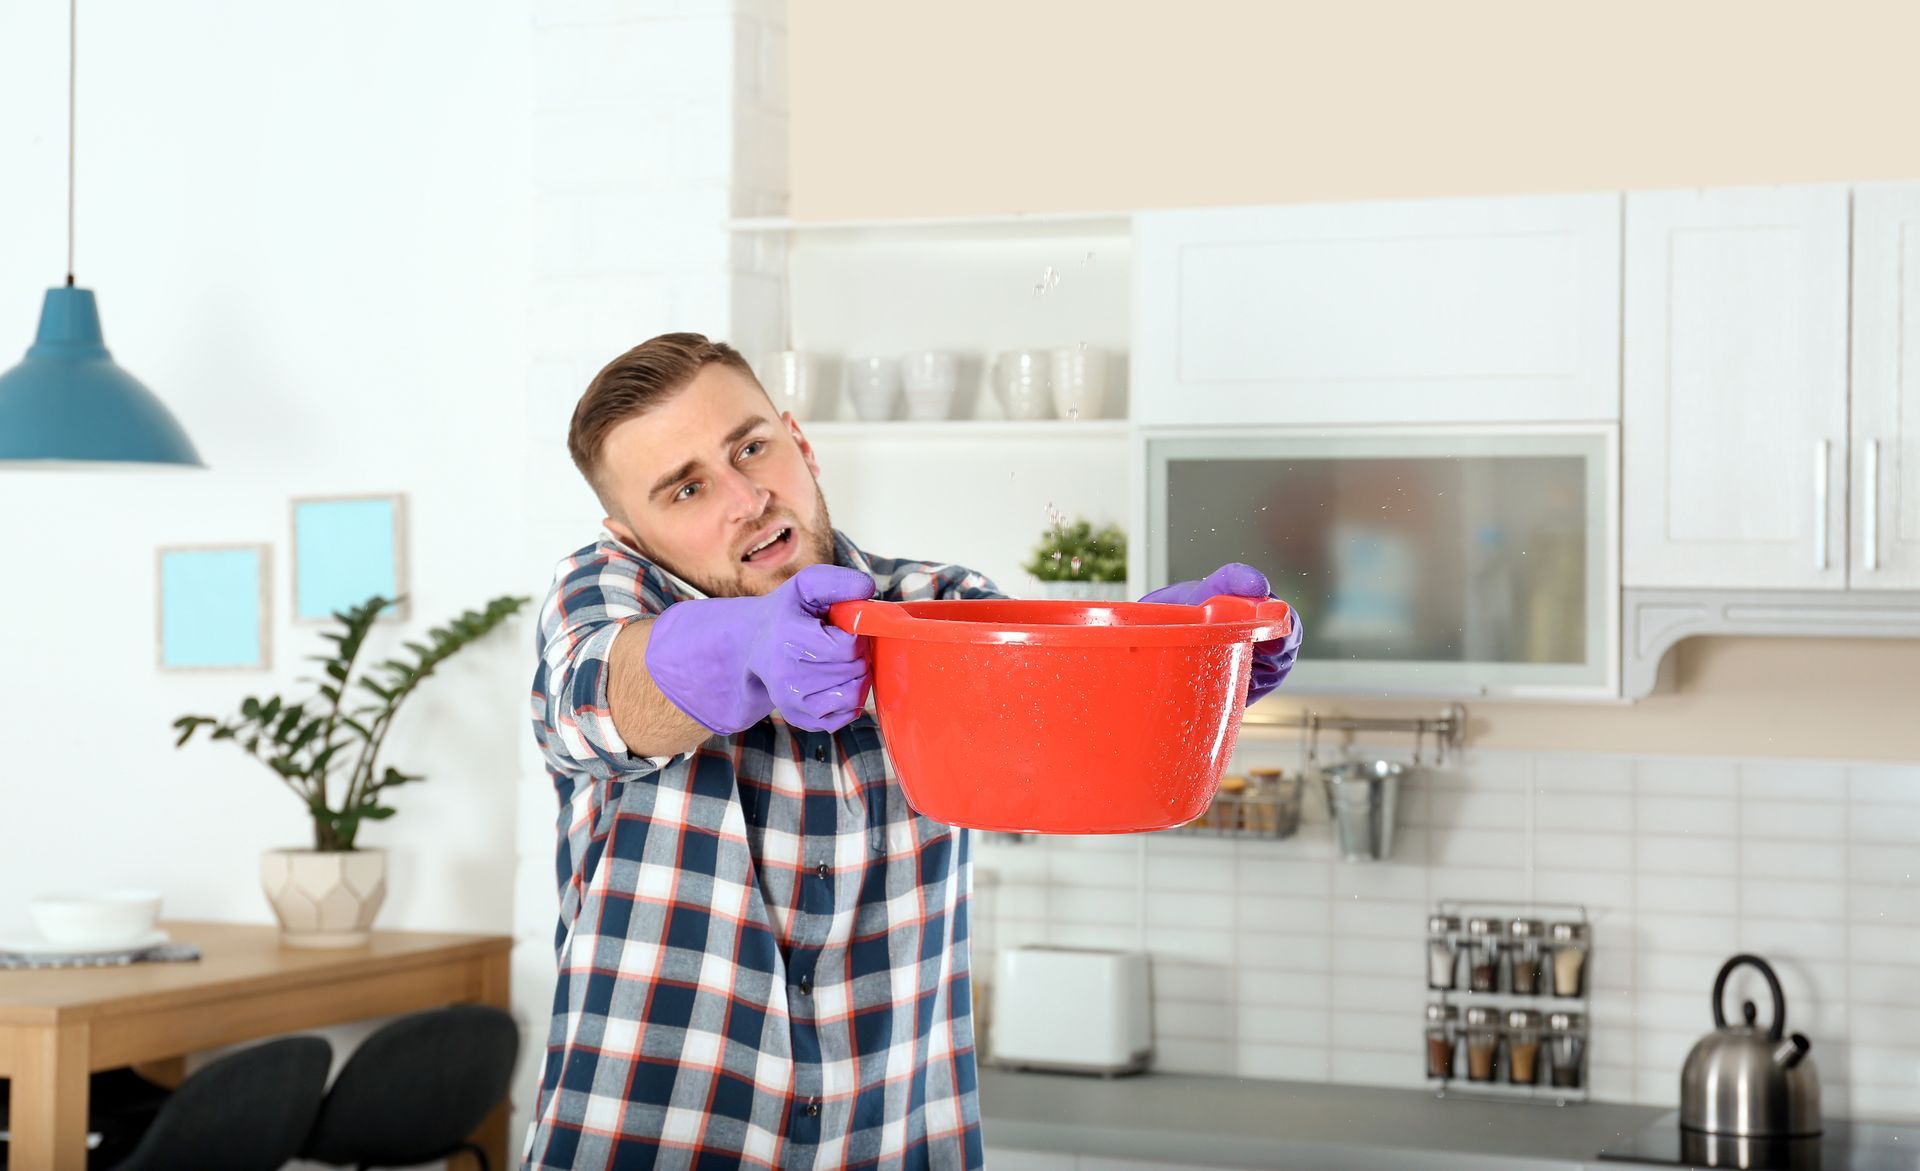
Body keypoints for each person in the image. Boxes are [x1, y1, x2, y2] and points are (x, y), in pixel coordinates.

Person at [524, 333, 1302, 1169]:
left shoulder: (939, 604)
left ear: (800, 439)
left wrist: (1174, 656)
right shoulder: (602, 596)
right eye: (686, 489)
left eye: (752, 446)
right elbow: (595, 695)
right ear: (629, 530)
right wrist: (744, 645)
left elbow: (1062, 732)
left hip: (897, 1137)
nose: (747, 498)